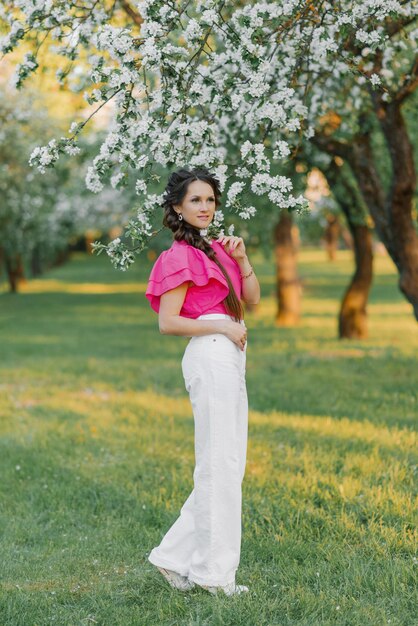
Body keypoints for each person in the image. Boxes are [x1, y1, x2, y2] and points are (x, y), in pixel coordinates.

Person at [145, 166, 261, 596]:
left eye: (210, 199)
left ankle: (173, 558)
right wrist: (223, 330)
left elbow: (252, 299)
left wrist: (244, 259)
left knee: (229, 463)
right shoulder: (177, 256)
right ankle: (213, 575)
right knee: (218, 464)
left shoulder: (220, 250)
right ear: (178, 206)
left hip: (229, 355)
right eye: (195, 200)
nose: (205, 207)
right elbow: (168, 322)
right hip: (212, 354)